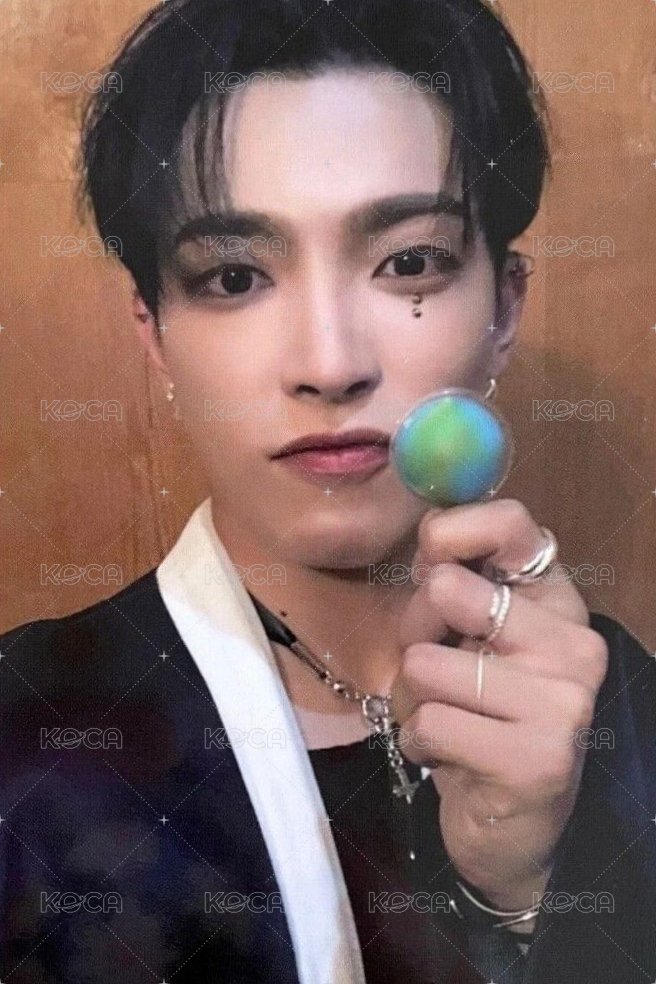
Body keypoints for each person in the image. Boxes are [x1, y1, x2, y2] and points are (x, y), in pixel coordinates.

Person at [1, 0, 655, 981]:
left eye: (408, 263)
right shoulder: (33, 732)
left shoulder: (624, 714)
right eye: (233, 277)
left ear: (504, 307)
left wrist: (524, 897)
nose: (329, 363)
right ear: (154, 334)